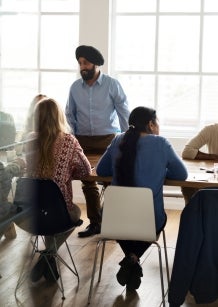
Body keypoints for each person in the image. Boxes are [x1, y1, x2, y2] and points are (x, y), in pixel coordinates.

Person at [96, 106, 188, 291]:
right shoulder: (161, 143)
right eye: (158, 122)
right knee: (154, 220)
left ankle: (131, 260)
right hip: (149, 220)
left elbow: (101, 171)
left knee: (125, 226)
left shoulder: (117, 140)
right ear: (151, 124)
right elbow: (182, 174)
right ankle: (133, 259)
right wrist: (161, 169)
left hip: (113, 219)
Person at [24, 97, 92, 282]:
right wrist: (68, 172)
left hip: (28, 214)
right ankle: (49, 255)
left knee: (46, 209)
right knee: (76, 212)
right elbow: (86, 170)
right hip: (57, 213)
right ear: (59, 117)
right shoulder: (69, 141)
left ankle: (48, 258)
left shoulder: (29, 139)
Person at [65, 45, 130, 237]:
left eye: (85, 63)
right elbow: (70, 113)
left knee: (110, 181)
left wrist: (128, 139)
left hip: (108, 140)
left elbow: (124, 112)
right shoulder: (75, 87)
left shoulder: (112, 84)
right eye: (80, 63)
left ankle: (111, 223)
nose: (82, 67)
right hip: (83, 140)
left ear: (96, 64)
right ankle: (95, 222)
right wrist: (74, 136)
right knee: (88, 182)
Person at [182, 123, 218, 203]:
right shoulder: (212, 129)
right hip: (213, 182)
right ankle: (194, 214)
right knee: (188, 186)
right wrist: (213, 157)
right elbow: (187, 151)